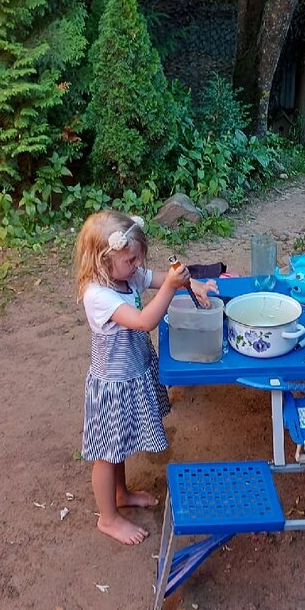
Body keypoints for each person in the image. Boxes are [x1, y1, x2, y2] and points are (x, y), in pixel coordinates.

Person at [74, 210, 216, 545]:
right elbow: (143, 321)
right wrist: (170, 287)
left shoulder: (124, 275)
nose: (138, 265)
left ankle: (120, 494)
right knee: (107, 455)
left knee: (119, 445)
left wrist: (190, 281)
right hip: (113, 386)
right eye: (131, 259)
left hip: (131, 375)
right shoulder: (99, 296)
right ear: (103, 260)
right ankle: (108, 518)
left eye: (139, 258)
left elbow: (154, 276)